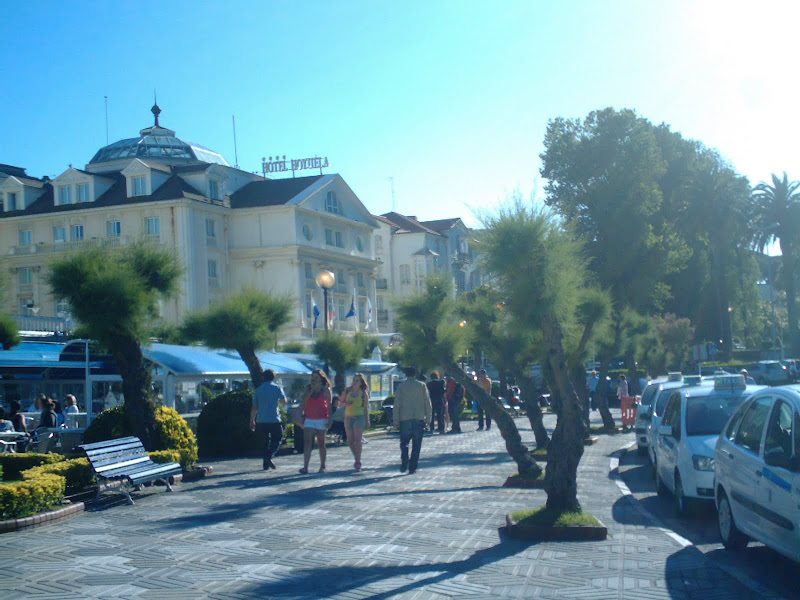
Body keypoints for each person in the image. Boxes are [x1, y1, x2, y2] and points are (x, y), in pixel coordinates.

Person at [393, 366, 432, 474]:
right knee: (417, 444)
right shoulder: (422, 385)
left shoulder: (401, 386)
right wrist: (428, 417)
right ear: (415, 374)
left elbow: (397, 405)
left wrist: (395, 421)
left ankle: (404, 459)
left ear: (406, 374)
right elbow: (427, 403)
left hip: (405, 418)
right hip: (419, 418)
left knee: (404, 442)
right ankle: (413, 467)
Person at [249, 369, 286, 471]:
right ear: (273, 377)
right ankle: (268, 456)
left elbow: (254, 407)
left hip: (261, 419)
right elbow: (284, 401)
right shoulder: (277, 388)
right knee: (277, 438)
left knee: (264, 442)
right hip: (274, 418)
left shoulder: (258, 390)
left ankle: (265, 463)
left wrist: (252, 420)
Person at [299, 369, 332, 474]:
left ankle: (323, 465)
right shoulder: (308, 388)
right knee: (307, 442)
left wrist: (330, 418)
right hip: (309, 418)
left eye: (316, 377)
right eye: (312, 377)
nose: (313, 379)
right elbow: (304, 401)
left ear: (321, 379)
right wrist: (311, 391)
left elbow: (330, 405)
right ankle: (305, 466)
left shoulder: (325, 389)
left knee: (321, 443)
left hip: (322, 418)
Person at [341, 373, 370, 472]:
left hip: (359, 417)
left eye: (357, 380)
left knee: (357, 440)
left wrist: (367, 420)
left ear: (361, 382)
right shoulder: (347, 391)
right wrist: (346, 403)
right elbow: (340, 402)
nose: (355, 382)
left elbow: (366, 408)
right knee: (350, 440)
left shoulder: (363, 393)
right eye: (354, 380)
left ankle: (358, 461)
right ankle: (356, 457)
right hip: (348, 417)